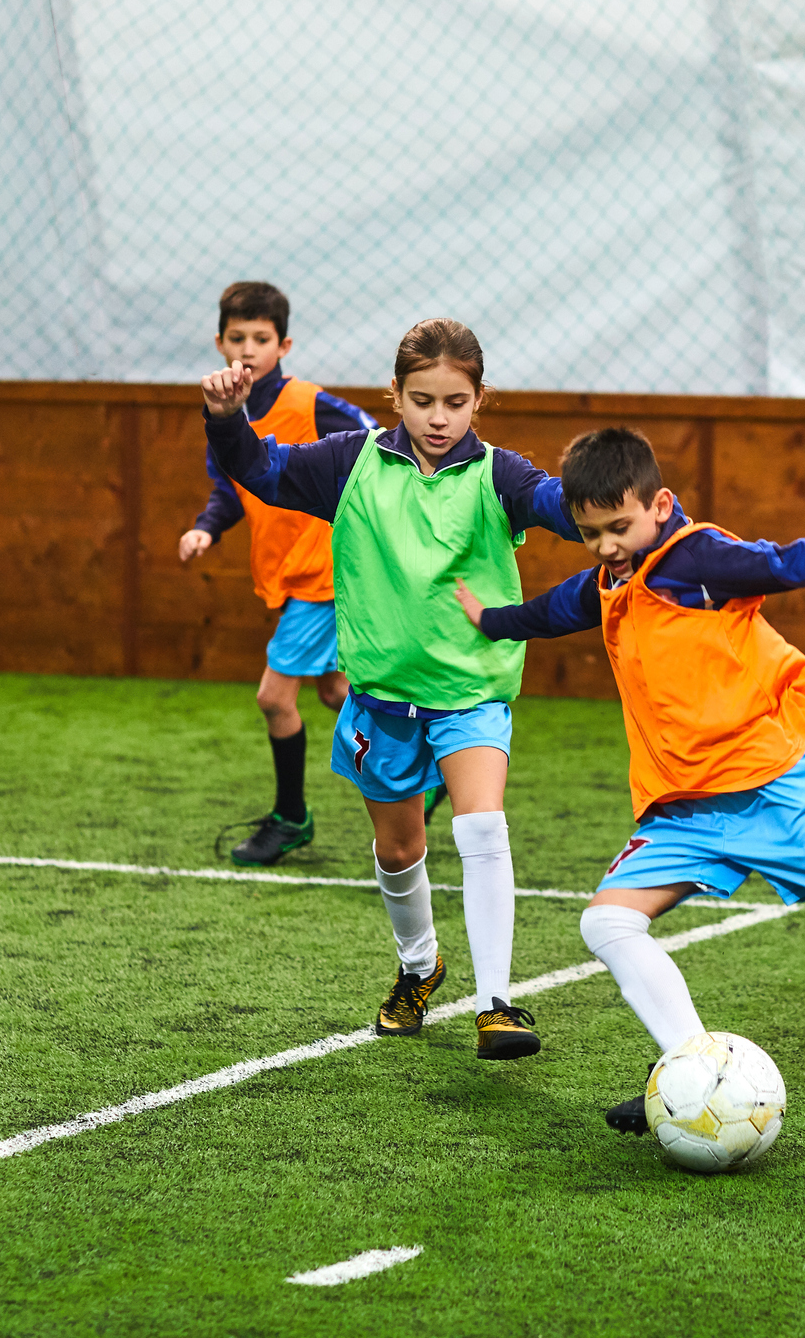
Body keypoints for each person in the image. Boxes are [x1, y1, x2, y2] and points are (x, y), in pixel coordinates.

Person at [451, 427, 805, 1130]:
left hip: (773, 786)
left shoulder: (698, 559)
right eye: (588, 533)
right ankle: (688, 1069)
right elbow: (557, 610)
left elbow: (798, 562)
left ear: (659, 504)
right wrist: (490, 619)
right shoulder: (611, 579)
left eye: (618, 527)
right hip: (687, 811)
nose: (606, 545)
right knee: (607, 920)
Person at [202, 318, 580, 1059]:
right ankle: (419, 967)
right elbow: (262, 471)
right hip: (379, 701)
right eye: (422, 400)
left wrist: (603, 504)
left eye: (456, 402)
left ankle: (497, 1004)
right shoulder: (352, 462)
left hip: (470, 693)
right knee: (399, 850)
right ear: (395, 398)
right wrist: (224, 418)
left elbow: (558, 506)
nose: (439, 418)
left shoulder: (501, 474)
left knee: (480, 827)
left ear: (479, 400)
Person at [178, 282, 377, 864]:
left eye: (260, 338)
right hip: (289, 575)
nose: (247, 348)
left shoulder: (311, 403)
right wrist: (206, 528)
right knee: (338, 690)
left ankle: (291, 816)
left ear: (283, 345)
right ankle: (426, 765)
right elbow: (231, 487)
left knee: (274, 697)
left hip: (326, 572)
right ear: (219, 342)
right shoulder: (225, 410)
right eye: (236, 337)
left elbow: (375, 446)